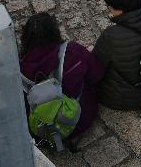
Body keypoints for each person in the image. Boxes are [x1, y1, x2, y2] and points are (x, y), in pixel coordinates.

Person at [19, 12, 105, 144]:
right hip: (79, 119)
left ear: (25, 38)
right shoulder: (74, 52)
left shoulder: (19, 67)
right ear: (55, 32)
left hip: (43, 128)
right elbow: (96, 75)